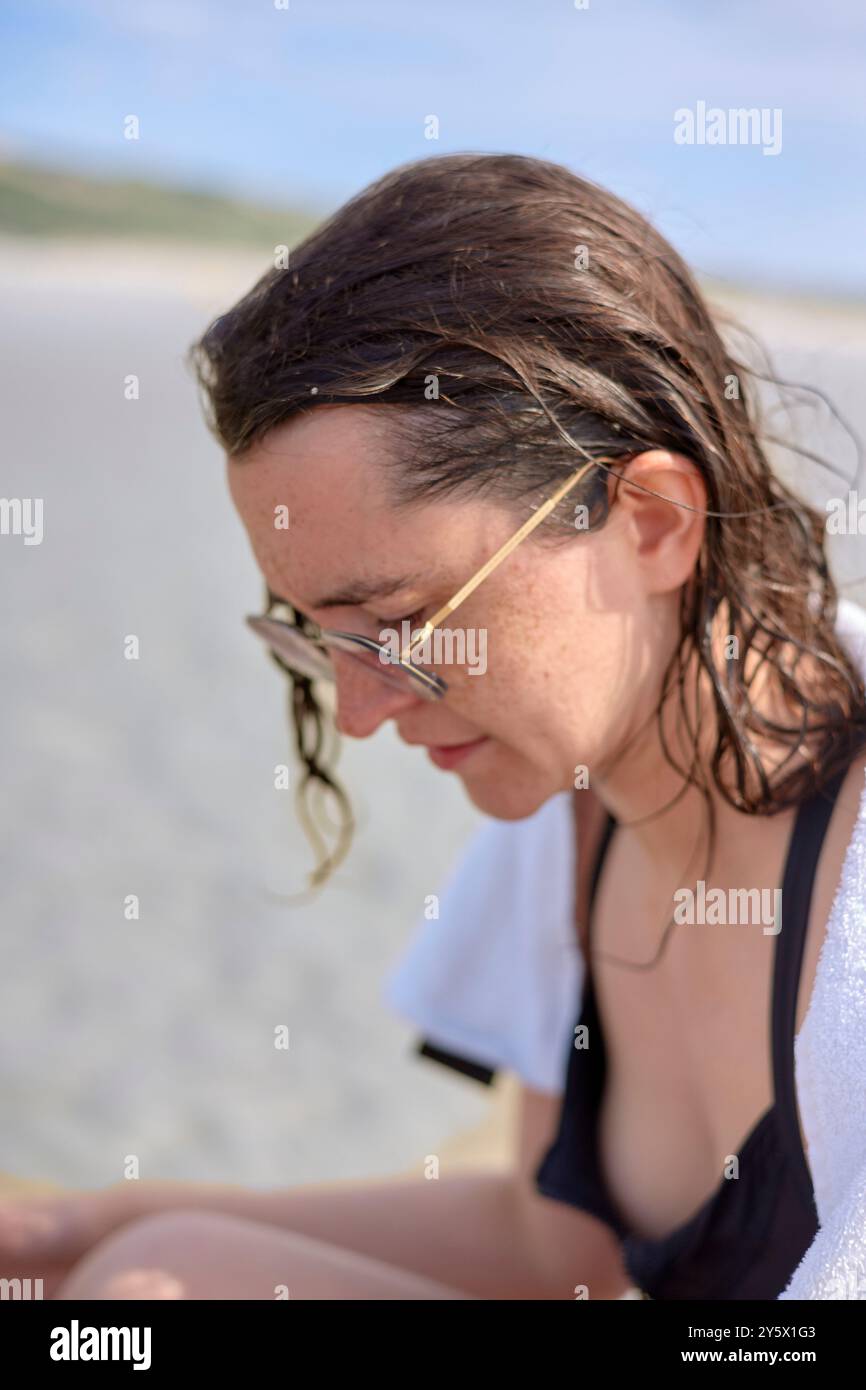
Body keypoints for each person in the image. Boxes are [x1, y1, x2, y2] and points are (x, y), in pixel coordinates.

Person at [4, 152, 866, 1300]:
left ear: (652, 520)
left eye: (400, 622)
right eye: (316, 637)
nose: (357, 714)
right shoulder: (564, 819)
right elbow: (554, 1248)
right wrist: (94, 1220)